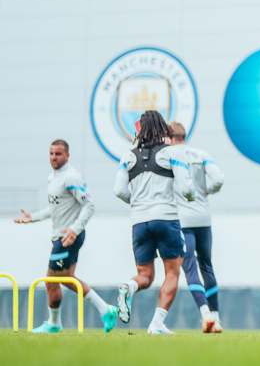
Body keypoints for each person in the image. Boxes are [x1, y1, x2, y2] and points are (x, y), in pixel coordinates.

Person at [13, 140, 119, 333]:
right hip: (61, 236)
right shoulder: (52, 178)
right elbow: (54, 209)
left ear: (67, 155)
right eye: (51, 153)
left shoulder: (71, 178)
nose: (54, 157)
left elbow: (90, 205)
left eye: (58, 154)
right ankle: (106, 309)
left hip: (67, 237)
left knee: (51, 280)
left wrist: (74, 229)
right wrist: (32, 217)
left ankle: (55, 324)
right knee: (66, 278)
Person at [114, 110, 196, 335]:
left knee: (145, 276)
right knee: (172, 272)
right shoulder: (172, 152)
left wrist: (138, 203)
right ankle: (157, 324)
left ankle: (129, 287)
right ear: (162, 129)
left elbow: (119, 190)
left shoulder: (128, 156)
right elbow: (187, 188)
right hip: (166, 219)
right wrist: (190, 198)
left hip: (139, 222)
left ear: (139, 129)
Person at [168, 121, 226, 334]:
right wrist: (206, 190)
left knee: (189, 267)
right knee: (207, 266)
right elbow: (219, 179)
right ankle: (217, 318)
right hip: (204, 217)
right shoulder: (201, 154)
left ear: (170, 138)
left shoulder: (169, 156)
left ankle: (206, 315)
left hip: (183, 220)